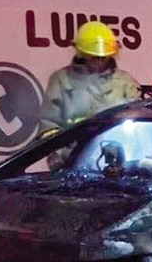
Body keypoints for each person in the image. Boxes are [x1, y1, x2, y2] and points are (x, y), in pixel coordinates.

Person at [37, 21, 141, 168]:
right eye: (94, 56)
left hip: (117, 164)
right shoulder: (61, 80)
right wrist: (58, 158)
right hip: (72, 162)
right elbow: (49, 125)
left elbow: (139, 127)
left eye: (104, 56)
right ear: (82, 53)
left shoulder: (125, 82)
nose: (99, 60)